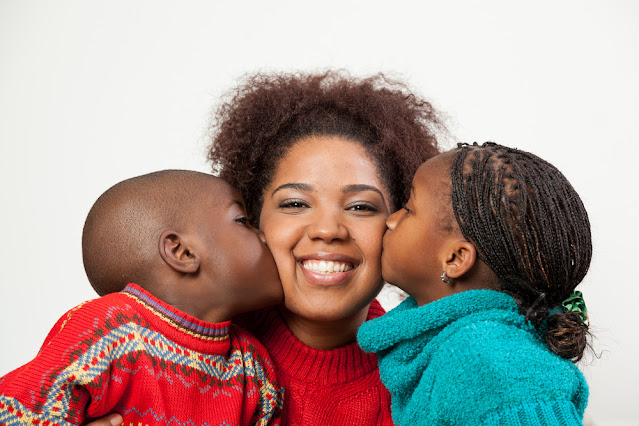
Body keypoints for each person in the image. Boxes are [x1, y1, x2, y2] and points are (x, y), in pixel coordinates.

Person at [88, 71, 443, 426]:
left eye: (360, 207)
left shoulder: (429, 378)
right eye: (295, 204)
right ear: (255, 223)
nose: (327, 230)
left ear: (397, 223)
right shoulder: (168, 351)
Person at [0, 170, 284, 425]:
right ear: (182, 252)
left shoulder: (252, 365)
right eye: (243, 221)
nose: (263, 236)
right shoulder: (108, 330)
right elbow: (15, 411)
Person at [358, 142, 591, 425]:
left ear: (455, 258)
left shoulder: (495, 363)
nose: (392, 221)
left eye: (408, 209)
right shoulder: (471, 347)